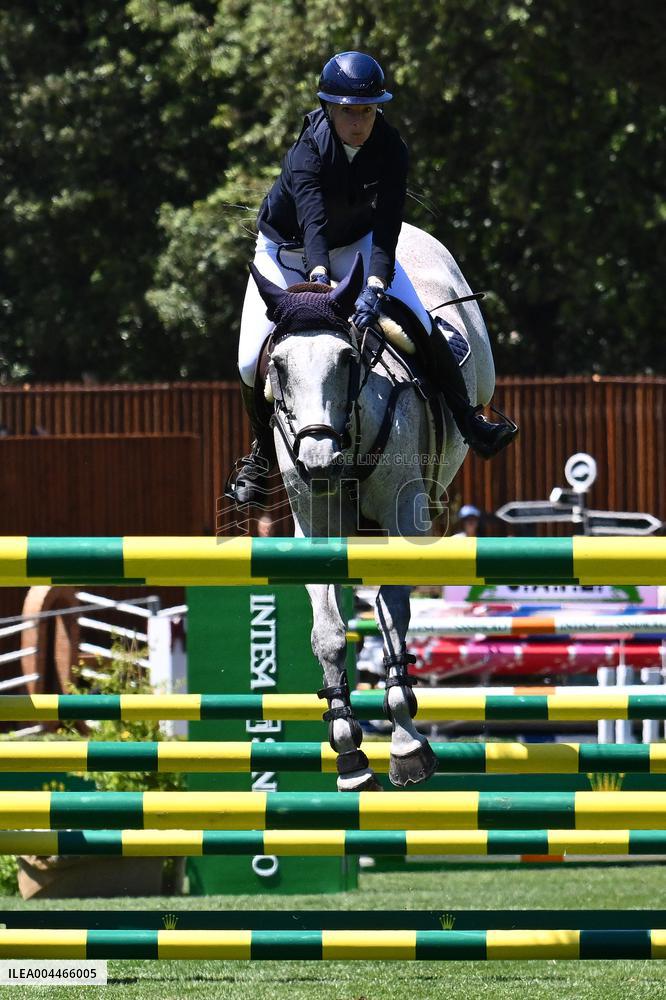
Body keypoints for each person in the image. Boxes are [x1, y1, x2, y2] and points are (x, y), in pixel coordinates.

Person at [227, 51, 517, 505]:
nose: (358, 121)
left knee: (419, 323)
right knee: (250, 361)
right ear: (328, 108)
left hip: (359, 246)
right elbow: (314, 225)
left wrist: (378, 286)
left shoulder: (391, 148)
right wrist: (324, 287)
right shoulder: (307, 151)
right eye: (348, 111)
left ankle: (468, 420)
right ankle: (260, 458)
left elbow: (387, 229)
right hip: (286, 252)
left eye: (366, 110)